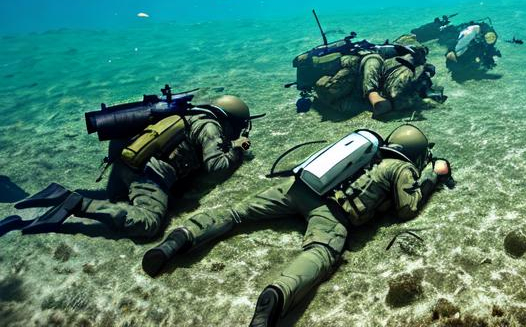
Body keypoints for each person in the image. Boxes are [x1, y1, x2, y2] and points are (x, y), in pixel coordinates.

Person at [141, 124, 454, 327]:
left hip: (299, 186)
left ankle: (179, 239)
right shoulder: (400, 167)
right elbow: (407, 210)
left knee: (239, 213)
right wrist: (433, 176)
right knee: (320, 253)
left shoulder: (363, 149)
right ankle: (278, 294)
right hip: (331, 212)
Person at [2, 95, 254, 238]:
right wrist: (237, 148)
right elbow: (216, 166)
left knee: (116, 204)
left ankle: (30, 213)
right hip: (147, 175)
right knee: (147, 224)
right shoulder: (209, 126)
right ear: (230, 120)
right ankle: (74, 202)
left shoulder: (188, 113)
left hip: (124, 162)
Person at [313, 34, 446, 117]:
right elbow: (369, 61)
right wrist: (373, 94)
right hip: (351, 75)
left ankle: (374, 97)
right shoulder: (369, 56)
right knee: (372, 59)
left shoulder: (398, 61)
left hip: (351, 96)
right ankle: (373, 94)